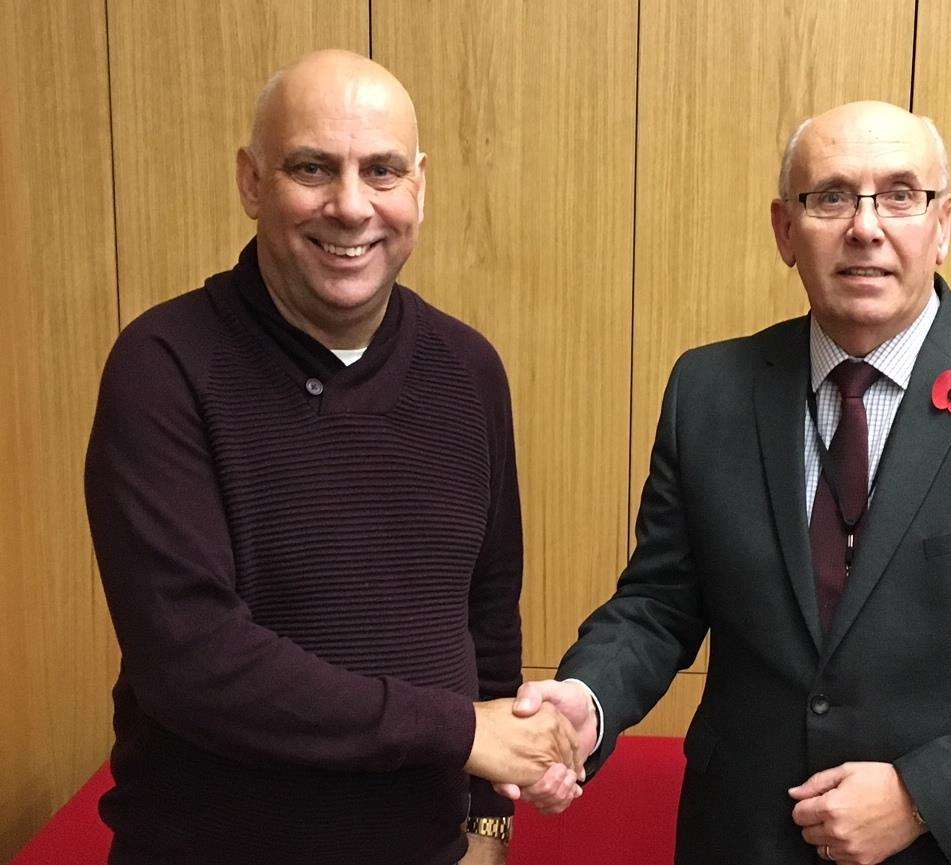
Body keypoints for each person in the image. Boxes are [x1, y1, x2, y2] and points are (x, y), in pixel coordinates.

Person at [507, 101, 951, 865]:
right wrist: (589, 700)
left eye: (900, 194)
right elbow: (660, 602)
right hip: (750, 839)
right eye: (830, 196)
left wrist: (925, 794)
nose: (866, 226)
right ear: (784, 231)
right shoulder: (710, 390)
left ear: (943, 223)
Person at [84, 50, 580, 865]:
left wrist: (489, 828)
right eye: (313, 168)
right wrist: (460, 732)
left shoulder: (469, 369)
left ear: (419, 185)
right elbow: (194, 661)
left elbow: (488, 624)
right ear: (250, 182)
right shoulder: (163, 366)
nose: (351, 207)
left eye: (381, 171)